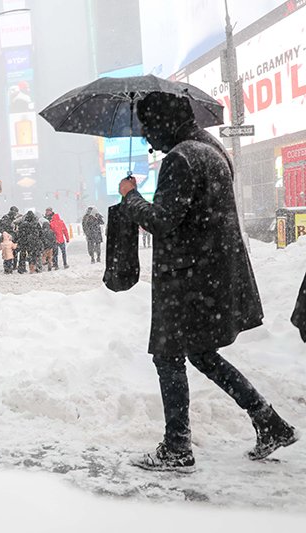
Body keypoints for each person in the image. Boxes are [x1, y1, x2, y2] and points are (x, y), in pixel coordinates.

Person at [119, 91, 298, 472]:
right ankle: (269, 421)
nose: (147, 137)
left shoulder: (180, 158)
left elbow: (162, 221)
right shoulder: (211, 148)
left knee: (168, 357)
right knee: (201, 353)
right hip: (212, 275)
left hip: (185, 278)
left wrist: (131, 197)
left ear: (164, 122)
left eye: (148, 127)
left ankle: (177, 447)